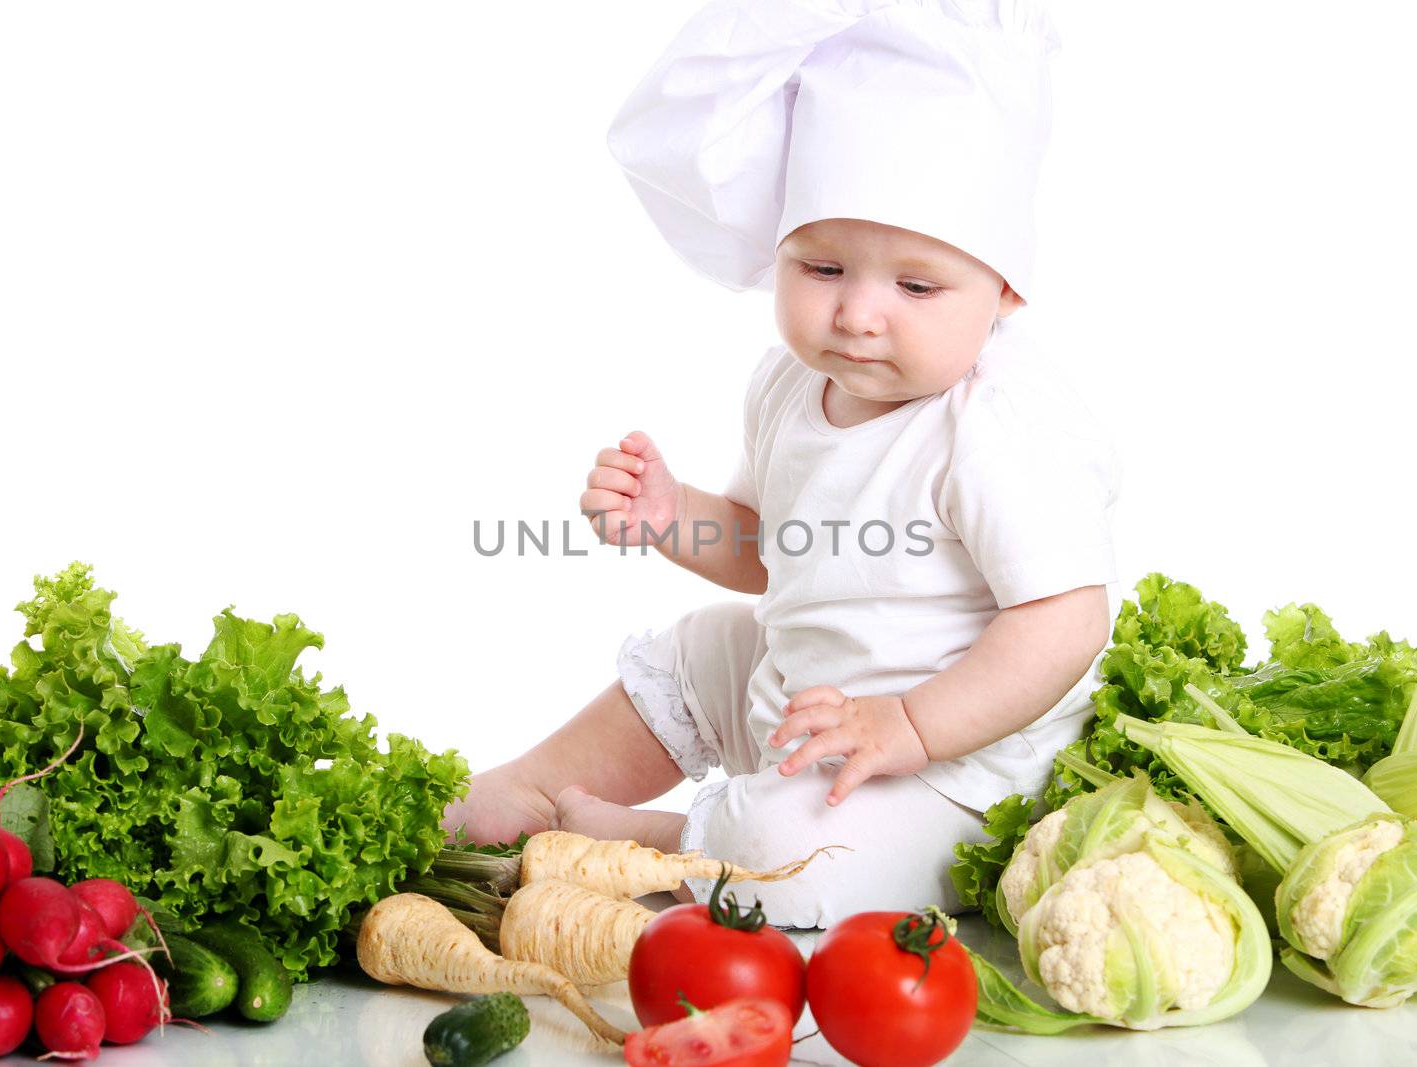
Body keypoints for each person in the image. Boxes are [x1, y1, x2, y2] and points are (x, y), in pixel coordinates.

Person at [445, 0, 1122, 928]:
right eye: (822, 268)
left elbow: (1065, 619)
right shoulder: (789, 386)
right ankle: (522, 790)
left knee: (790, 856)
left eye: (916, 285)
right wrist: (671, 512)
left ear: (1005, 289)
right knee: (708, 645)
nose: (857, 314)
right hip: (810, 696)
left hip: (960, 766)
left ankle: (653, 843)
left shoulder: (998, 425)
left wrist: (912, 725)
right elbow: (773, 551)